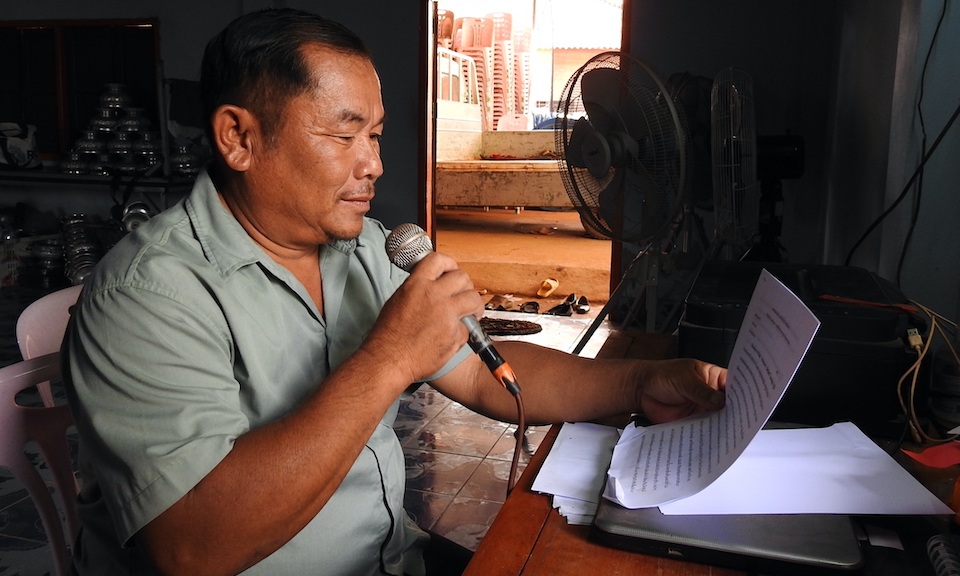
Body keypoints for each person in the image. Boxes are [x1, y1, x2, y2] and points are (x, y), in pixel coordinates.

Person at [62, 8, 727, 576]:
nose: (373, 163)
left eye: (375, 135)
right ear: (239, 137)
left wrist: (639, 382)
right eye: (344, 134)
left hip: (387, 557)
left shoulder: (361, 250)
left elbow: (482, 373)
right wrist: (387, 360)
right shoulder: (147, 296)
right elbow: (193, 546)